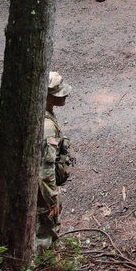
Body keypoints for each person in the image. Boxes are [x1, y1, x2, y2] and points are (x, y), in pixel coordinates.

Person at [37, 72, 75, 251]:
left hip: (37, 185)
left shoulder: (41, 113)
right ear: (48, 97)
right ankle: (44, 266)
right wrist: (52, 199)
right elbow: (45, 169)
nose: (66, 95)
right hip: (40, 190)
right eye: (60, 93)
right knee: (45, 228)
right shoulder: (47, 127)